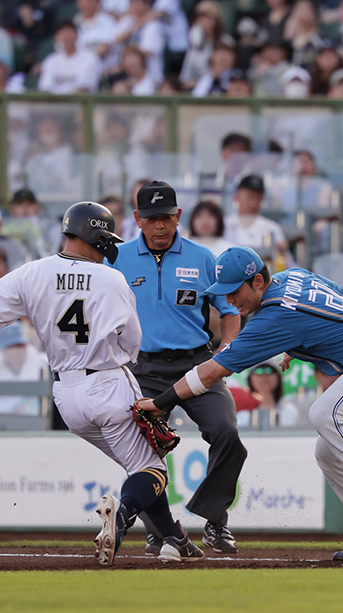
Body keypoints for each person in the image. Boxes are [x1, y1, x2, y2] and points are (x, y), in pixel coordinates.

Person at [0, 201, 205, 564]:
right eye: (106, 237)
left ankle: (175, 538)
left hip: (66, 396)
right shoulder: (111, 278)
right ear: (96, 235)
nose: (109, 246)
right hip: (107, 382)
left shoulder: (32, 272)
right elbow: (132, 341)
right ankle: (119, 521)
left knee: (141, 463)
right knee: (152, 470)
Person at [137, 246, 343, 560]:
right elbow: (336, 294)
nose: (229, 301)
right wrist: (300, 340)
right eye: (224, 294)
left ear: (258, 281)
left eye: (234, 291)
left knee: (326, 413)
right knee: (327, 453)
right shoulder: (293, 275)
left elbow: (212, 372)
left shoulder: (273, 317)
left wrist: (161, 402)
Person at [110, 181, 245, 556]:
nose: (159, 226)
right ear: (136, 219)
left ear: (178, 217)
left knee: (226, 433)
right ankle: (159, 529)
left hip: (197, 365)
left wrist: (227, 350)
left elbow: (230, 311)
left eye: (166, 217)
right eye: (151, 218)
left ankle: (215, 521)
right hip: (142, 369)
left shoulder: (203, 258)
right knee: (145, 451)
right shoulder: (116, 259)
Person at [223, 174, 288, 266]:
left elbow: (287, 265)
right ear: (237, 197)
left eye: (258, 198)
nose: (253, 203)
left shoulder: (272, 228)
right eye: (249, 197)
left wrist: (281, 252)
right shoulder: (224, 225)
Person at [38, 21, 101, 94]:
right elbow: (45, 89)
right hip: (54, 103)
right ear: (56, 38)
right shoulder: (50, 60)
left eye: (69, 34)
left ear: (77, 35)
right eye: (62, 34)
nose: (66, 37)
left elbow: (83, 89)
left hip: (79, 103)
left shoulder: (90, 58)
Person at [240, 361, 300, 428]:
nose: (264, 376)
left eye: (269, 371)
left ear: (278, 377)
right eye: (258, 371)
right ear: (250, 378)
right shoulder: (241, 411)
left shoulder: (288, 410)